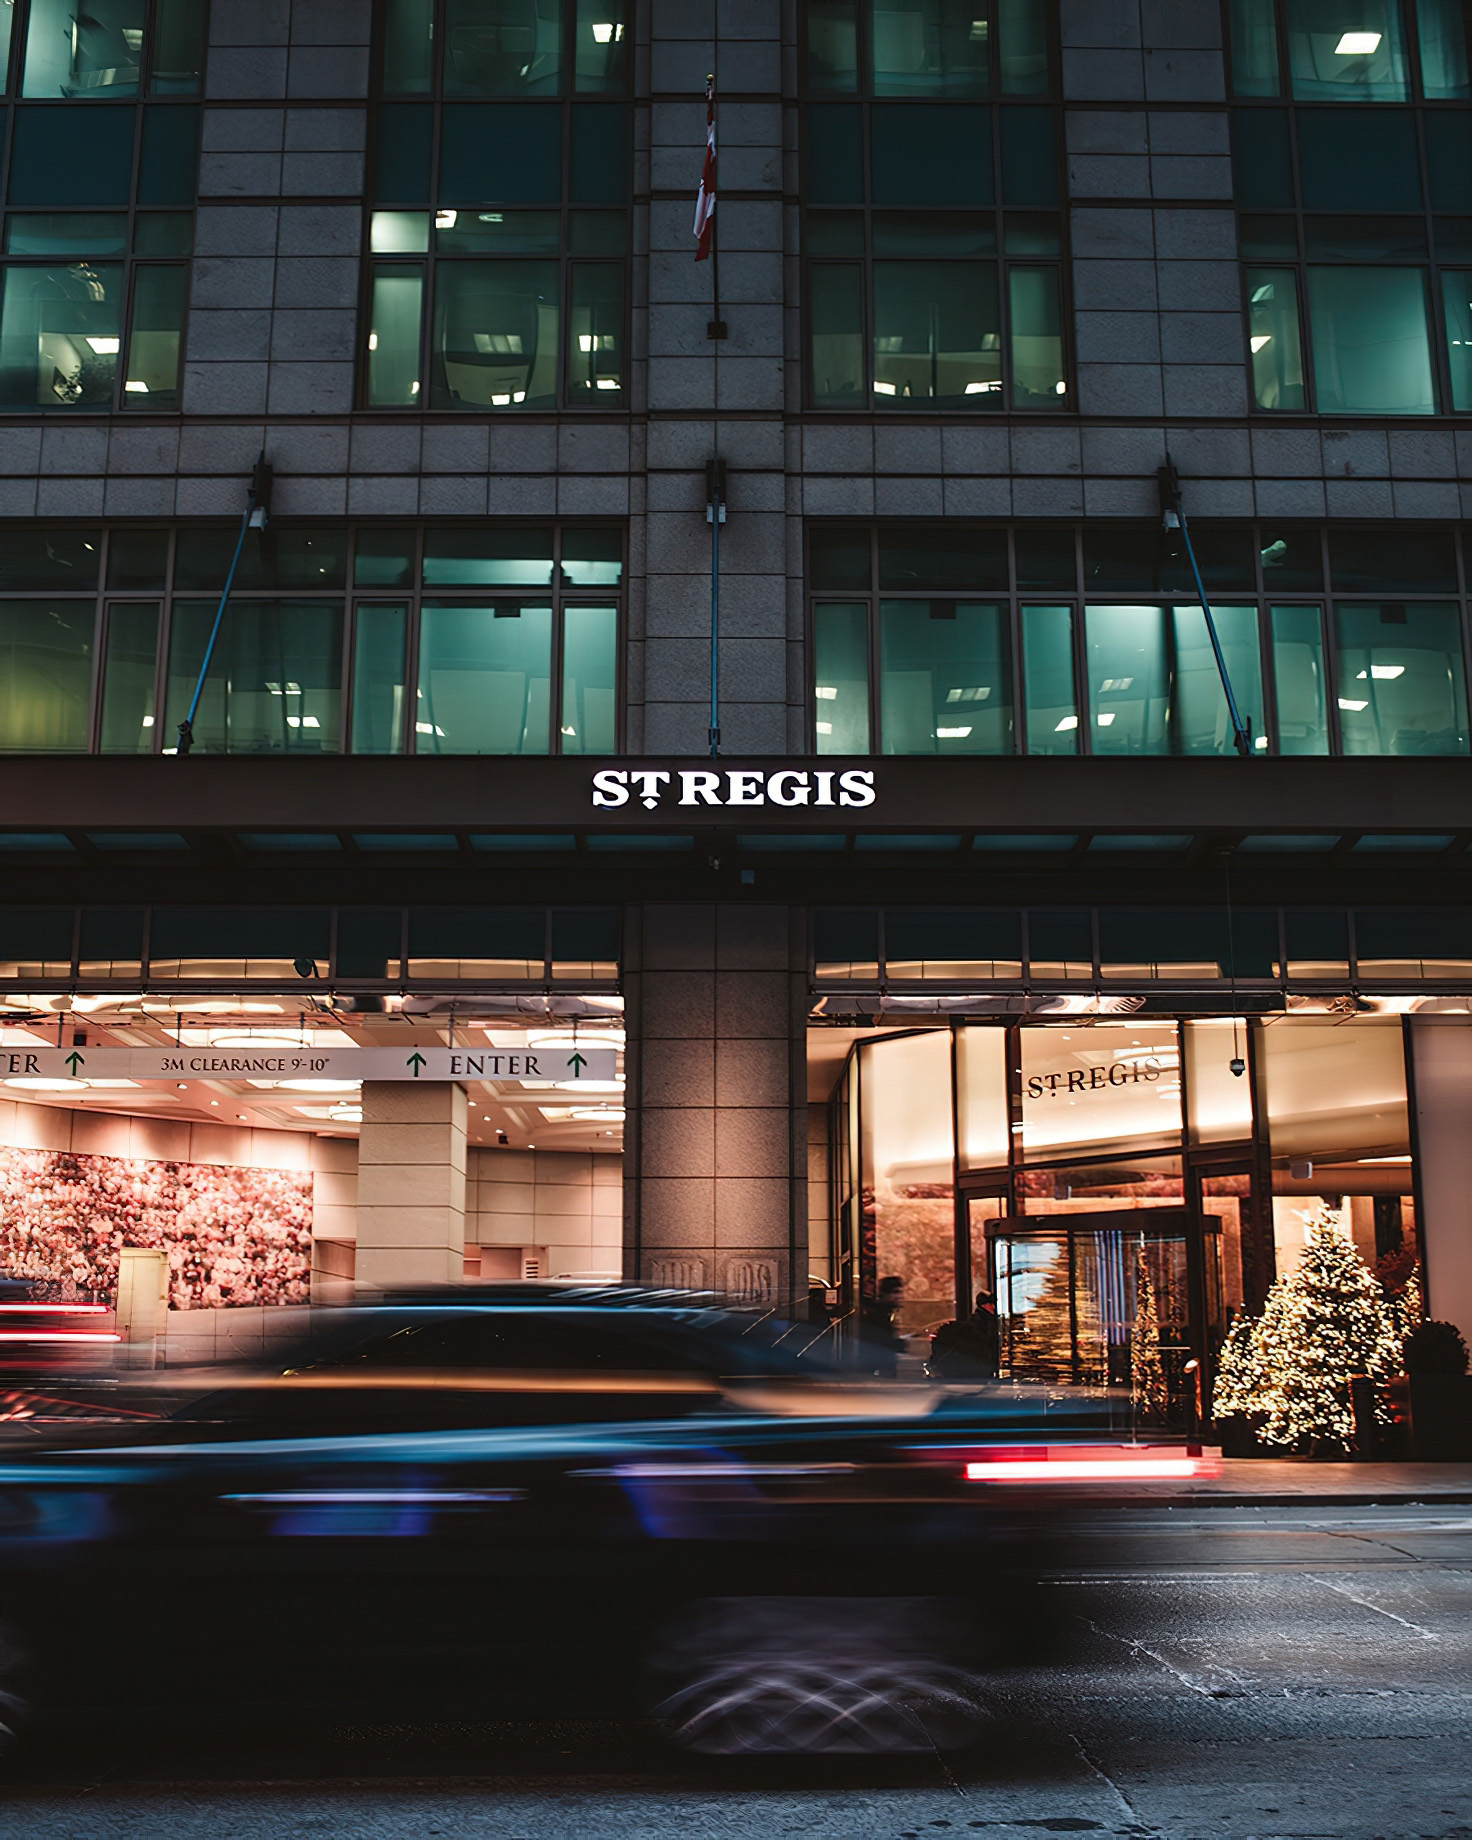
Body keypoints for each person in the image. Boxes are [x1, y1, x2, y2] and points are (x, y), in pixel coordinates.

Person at [927, 1289, 1001, 1381]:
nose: (992, 1307)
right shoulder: (983, 1320)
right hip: (982, 1362)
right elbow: (986, 1339)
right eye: (990, 1304)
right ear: (983, 1305)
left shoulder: (986, 1319)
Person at [859, 1275, 907, 1378]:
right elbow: (878, 1341)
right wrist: (897, 1344)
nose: (900, 1296)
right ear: (884, 1294)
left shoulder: (884, 1313)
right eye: (895, 1292)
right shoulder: (876, 1315)